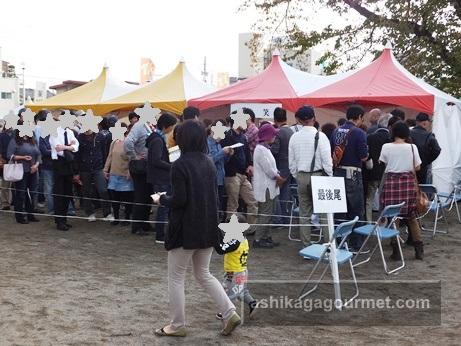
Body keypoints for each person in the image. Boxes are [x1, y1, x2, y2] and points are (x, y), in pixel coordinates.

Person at [152, 120, 241, 337]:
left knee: (176, 277)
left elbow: (180, 200)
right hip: (207, 227)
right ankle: (229, 313)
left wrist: (162, 199)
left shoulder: (180, 165)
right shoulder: (208, 162)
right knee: (204, 274)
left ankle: (177, 324)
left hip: (185, 229)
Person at [289, 106, 333, 246]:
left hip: (302, 176)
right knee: (324, 213)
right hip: (319, 176)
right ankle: (328, 245)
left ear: (299, 120)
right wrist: (329, 177)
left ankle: (306, 245)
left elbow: (291, 163)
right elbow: (327, 161)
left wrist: (297, 175)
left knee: (304, 213)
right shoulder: (322, 136)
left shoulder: (294, 137)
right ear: (314, 118)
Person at [379, 122, 424, 260]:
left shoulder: (386, 147)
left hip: (392, 183)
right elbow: (417, 167)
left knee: (393, 217)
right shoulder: (412, 147)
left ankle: (396, 251)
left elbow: (383, 163)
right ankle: (419, 251)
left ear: (393, 132)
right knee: (411, 217)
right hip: (408, 183)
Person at [330, 104, 368, 251]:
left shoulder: (336, 131)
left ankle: (339, 241)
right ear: (358, 117)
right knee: (356, 210)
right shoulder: (359, 133)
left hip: (338, 172)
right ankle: (355, 244)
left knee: (339, 210)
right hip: (353, 175)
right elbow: (363, 156)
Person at [146, 113, 178, 243]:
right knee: (163, 206)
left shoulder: (156, 138)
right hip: (161, 178)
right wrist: (172, 166)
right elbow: (156, 160)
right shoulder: (158, 140)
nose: (172, 129)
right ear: (166, 126)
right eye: (171, 127)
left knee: (163, 206)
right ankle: (160, 235)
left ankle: (162, 233)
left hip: (159, 177)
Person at [220, 116, 258, 226]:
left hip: (243, 174)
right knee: (233, 204)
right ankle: (231, 232)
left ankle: (251, 228)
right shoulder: (227, 136)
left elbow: (247, 152)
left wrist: (250, 165)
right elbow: (224, 156)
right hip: (232, 174)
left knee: (253, 201)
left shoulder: (243, 137)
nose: (246, 123)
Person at [253, 124, 284, 248]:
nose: (275, 136)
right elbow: (269, 169)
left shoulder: (265, 148)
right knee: (266, 213)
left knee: (268, 213)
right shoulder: (261, 149)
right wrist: (278, 176)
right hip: (265, 186)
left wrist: (277, 174)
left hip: (269, 186)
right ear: (267, 136)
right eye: (273, 134)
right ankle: (258, 238)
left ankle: (266, 236)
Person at [76, 128, 113, 222]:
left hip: (98, 167)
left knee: (103, 190)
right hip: (84, 168)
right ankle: (89, 213)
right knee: (86, 191)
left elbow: (104, 152)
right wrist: (76, 172)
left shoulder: (100, 137)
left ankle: (107, 213)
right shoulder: (79, 138)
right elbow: (77, 155)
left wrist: (105, 167)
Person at [49, 115, 79, 231]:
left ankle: (64, 219)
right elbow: (58, 149)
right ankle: (59, 220)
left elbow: (76, 146)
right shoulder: (55, 132)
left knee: (68, 193)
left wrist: (66, 147)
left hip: (69, 164)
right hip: (59, 164)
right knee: (59, 193)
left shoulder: (69, 132)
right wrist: (69, 147)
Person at [124, 114, 152, 235]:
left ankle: (145, 223)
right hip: (140, 166)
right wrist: (134, 156)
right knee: (141, 196)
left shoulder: (148, 126)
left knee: (148, 196)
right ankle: (137, 226)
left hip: (148, 166)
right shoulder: (139, 126)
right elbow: (127, 143)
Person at [7, 131, 41, 224]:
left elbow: (38, 154)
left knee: (32, 193)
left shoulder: (33, 141)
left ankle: (30, 214)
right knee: (21, 194)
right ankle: (19, 216)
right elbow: (10, 155)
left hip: (33, 170)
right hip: (21, 171)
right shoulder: (14, 141)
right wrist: (22, 157)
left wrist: (36, 165)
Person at [104, 123, 133, 226]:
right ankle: (116, 218)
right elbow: (110, 156)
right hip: (114, 175)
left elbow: (132, 158)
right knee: (114, 198)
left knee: (127, 198)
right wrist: (105, 169)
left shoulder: (128, 142)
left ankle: (127, 218)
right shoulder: (114, 142)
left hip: (125, 175)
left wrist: (130, 171)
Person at [363, 114, 391, 222]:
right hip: (386, 173)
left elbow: (367, 154)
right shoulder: (390, 139)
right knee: (385, 199)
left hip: (372, 173)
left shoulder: (370, 137)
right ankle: (384, 221)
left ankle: (368, 221)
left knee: (369, 199)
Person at [207, 119, 234, 219]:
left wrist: (228, 155)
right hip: (213, 180)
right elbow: (210, 161)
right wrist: (223, 152)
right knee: (214, 205)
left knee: (219, 204)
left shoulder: (218, 144)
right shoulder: (207, 143)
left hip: (221, 179)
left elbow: (222, 162)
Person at [271, 107, 293, 224]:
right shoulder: (291, 131)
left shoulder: (278, 132)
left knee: (275, 194)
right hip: (289, 168)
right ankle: (285, 218)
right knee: (285, 194)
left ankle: (277, 219)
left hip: (279, 168)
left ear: (275, 119)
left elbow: (275, 150)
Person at [410, 113, 441, 184]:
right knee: (421, 190)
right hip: (422, 168)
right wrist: (427, 161)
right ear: (424, 123)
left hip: (408, 167)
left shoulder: (408, 133)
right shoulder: (429, 135)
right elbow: (437, 150)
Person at [0, 120, 12, 210]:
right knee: (5, 184)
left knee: (7, 184)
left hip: (8, 162)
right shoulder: (4, 136)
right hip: (4, 161)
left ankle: (6, 203)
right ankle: (5, 203)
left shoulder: (9, 136)